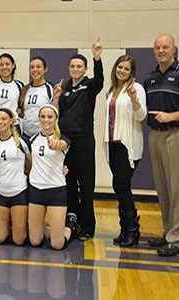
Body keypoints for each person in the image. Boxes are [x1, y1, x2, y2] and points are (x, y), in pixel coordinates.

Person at [53, 39, 104, 240]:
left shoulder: (90, 86)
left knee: (86, 183)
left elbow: (100, 80)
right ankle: (71, 220)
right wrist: (56, 97)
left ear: (85, 69)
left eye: (79, 66)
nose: (75, 69)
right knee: (69, 182)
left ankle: (87, 226)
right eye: (73, 66)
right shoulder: (65, 88)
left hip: (83, 141)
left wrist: (97, 57)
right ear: (69, 68)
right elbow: (57, 115)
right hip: (66, 143)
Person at [103, 55, 146, 246]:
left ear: (131, 72)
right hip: (112, 144)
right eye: (119, 67)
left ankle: (132, 230)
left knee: (121, 186)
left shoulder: (136, 89)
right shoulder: (111, 90)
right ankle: (124, 229)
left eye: (126, 69)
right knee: (120, 187)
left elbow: (141, 116)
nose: (122, 71)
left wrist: (134, 99)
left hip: (127, 146)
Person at [144, 33, 179, 256]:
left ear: (174, 49)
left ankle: (176, 239)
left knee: (176, 189)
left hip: (174, 134)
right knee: (163, 188)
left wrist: (171, 116)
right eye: (157, 47)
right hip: (154, 136)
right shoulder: (150, 78)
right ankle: (168, 232)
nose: (161, 51)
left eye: (165, 47)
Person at [28, 104, 79, 250]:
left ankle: (70, 227)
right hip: (36, 190)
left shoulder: (63, 139)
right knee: (35, 241)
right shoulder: (32, 140)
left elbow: (62, 145)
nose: (46, 120)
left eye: (50, 117)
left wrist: (55, 145)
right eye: (43, 117)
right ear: (39, 119)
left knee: (57, 244)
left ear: (56, 119)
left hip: (56, 191)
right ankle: (49, 229)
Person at [0, 108, 31, 245]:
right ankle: (10, 226)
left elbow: (30, 165)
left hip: (19, 192)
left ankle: (24, 228)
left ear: (11, 121)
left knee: (19, 240)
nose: (0, 122)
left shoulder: (22, 142)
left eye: (4, 119)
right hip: (0, 193)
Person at [0, 53, 23, 136]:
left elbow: (21, 107)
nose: (4, 67)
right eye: (1, 65)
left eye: (7, 64)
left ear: (13, 65)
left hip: (12, 125)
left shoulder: (19, 85)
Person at [20, 56, 54, 138]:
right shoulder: (25, 89)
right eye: (32, 67)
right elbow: (23, 111)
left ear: (45, 69)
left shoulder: (50, 89)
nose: (35, 70)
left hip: (43, 135)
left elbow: (55, 112)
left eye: (38, 67)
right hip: (26, 134)